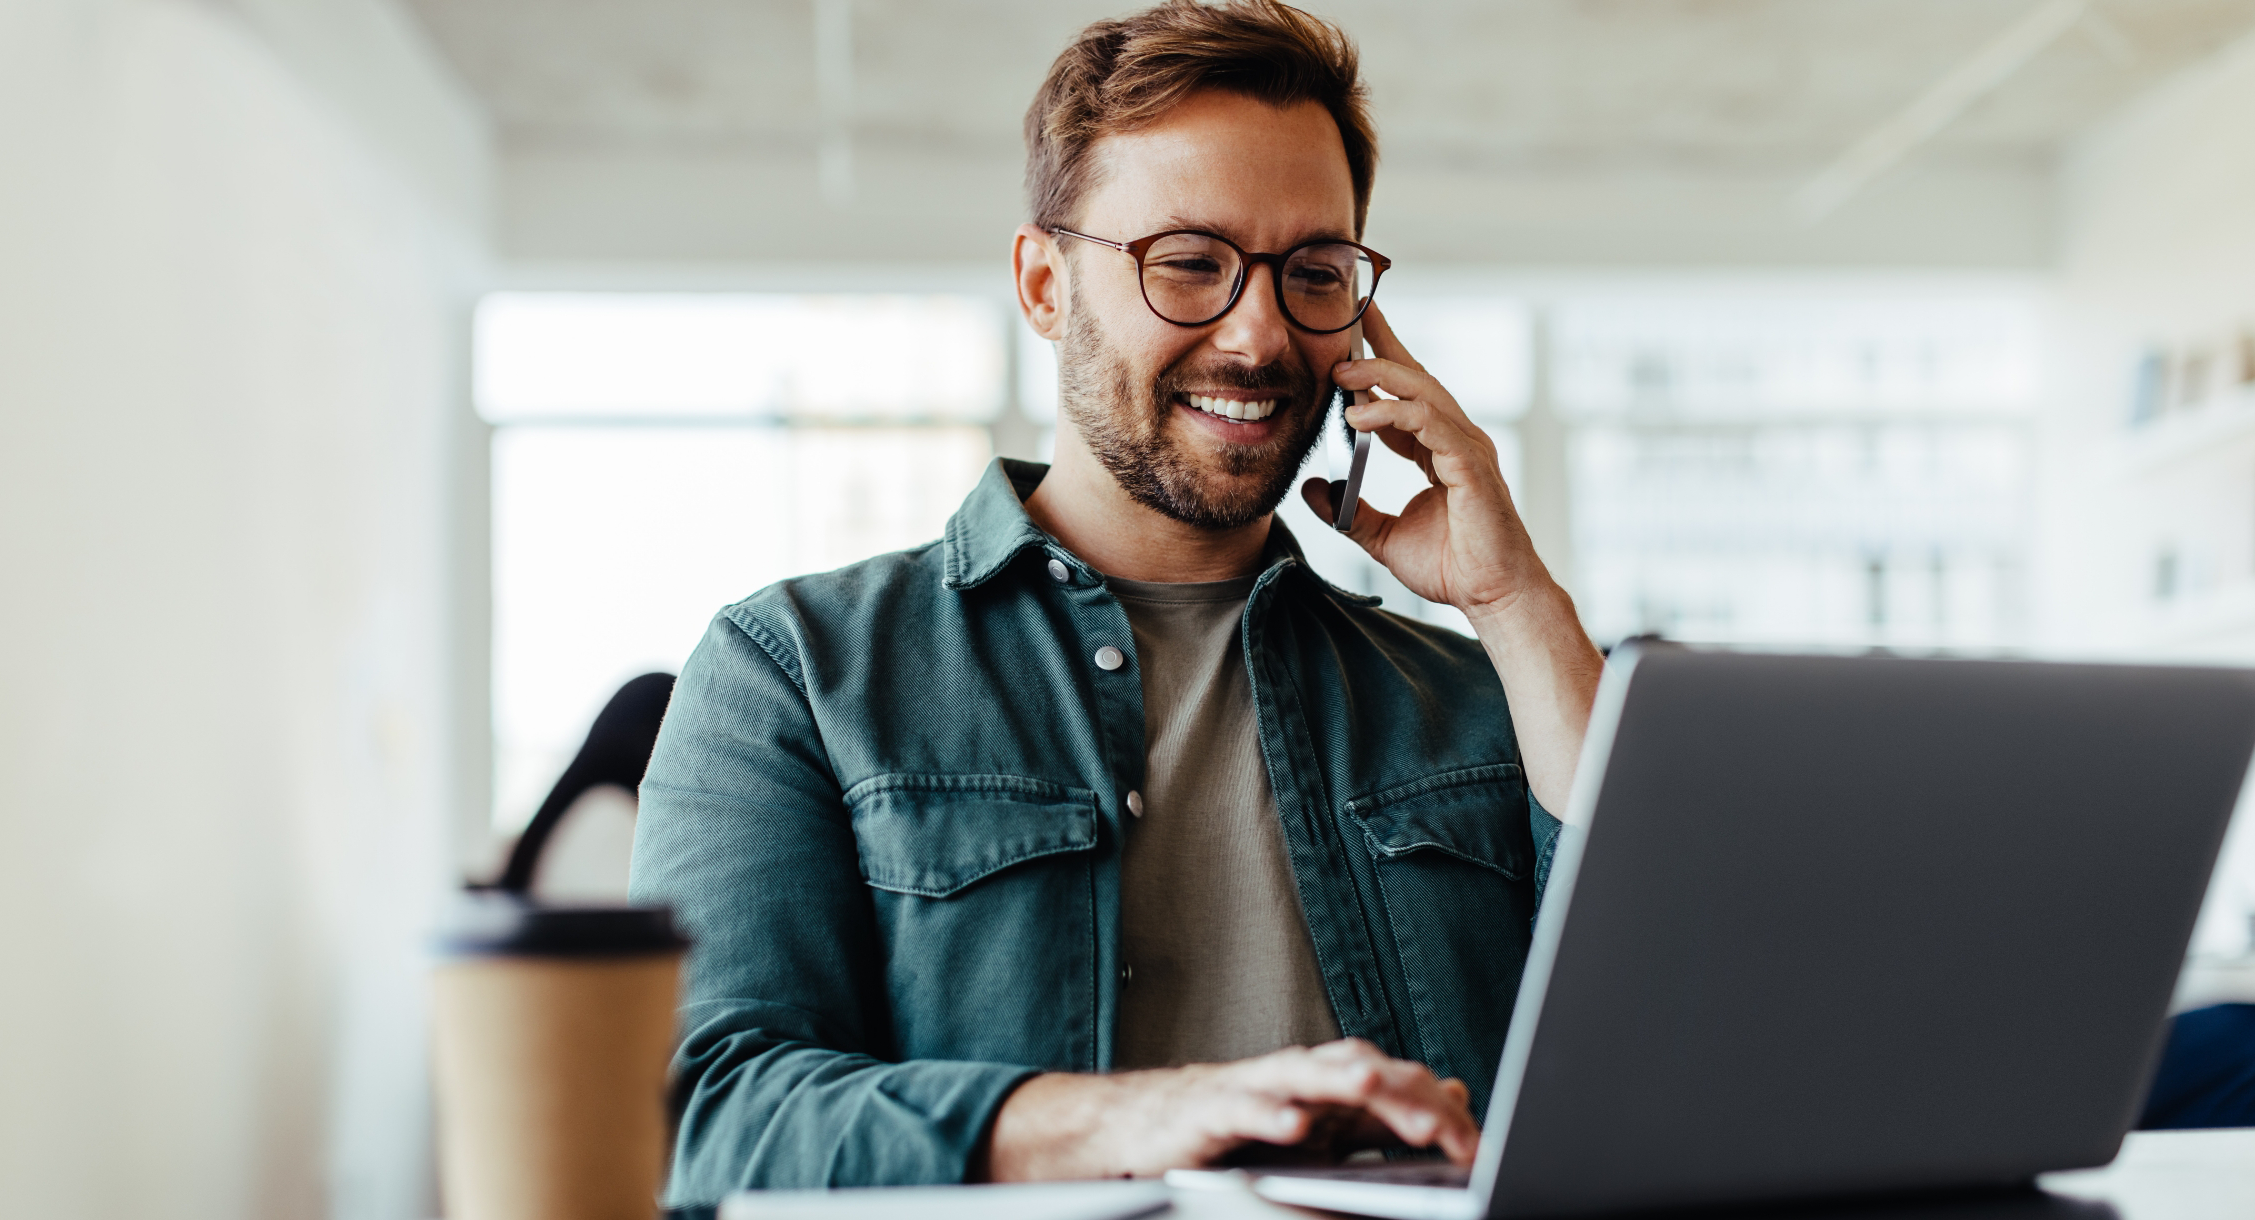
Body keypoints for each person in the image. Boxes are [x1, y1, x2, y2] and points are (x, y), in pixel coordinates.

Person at [629, 0, 1606, 1206]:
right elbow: (703, 1116)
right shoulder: (795, 669)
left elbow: (1675, 1038)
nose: (1258, 336)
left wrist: (1514, 601)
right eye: (1189, 262)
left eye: (1312, 272)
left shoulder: (1471, 697)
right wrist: (1148, 1112)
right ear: (1044, 282)